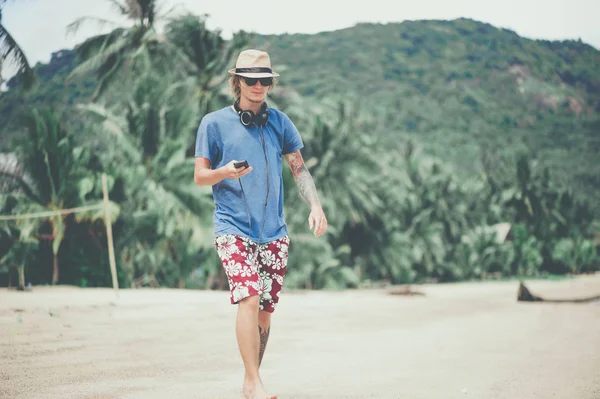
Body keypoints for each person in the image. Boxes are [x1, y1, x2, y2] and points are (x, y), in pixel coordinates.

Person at [193, 49, 328, 399]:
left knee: (265, 313)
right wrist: (224, 172)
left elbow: (299, 168)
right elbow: (199, 176)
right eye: (250, 79)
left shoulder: (280, 122)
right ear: (236, 81)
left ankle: (250, 380)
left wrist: (315, 204)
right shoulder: (214, 123)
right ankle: (253, 383)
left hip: (274, 233)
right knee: (248, 297)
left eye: (264, 80)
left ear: (270, 84)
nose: (257, 85)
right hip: (231, 226)